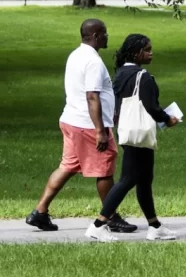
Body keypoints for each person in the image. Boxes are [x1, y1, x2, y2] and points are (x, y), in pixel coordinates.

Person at [27, 19, 136, 233]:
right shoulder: (93, 62)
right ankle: (111, 217)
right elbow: (92, 96)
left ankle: (40, 212)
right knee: (104, 169)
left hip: (71, 119)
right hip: (88, 125)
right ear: (95, 36)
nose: (107, 36)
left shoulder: (76, 55)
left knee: (67, 167)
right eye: (104, 33)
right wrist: (99, 130)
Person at [86, 34, 180, 241]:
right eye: (147, 49)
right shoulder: (143, 77)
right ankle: (99, 224)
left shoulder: (120, 74)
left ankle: (154, 225)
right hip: (140, 133)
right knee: (128, 179)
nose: (151, 53)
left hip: (128, 131)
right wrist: (168, 119)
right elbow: (152, 108)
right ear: (136, 53)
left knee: (145, 180)